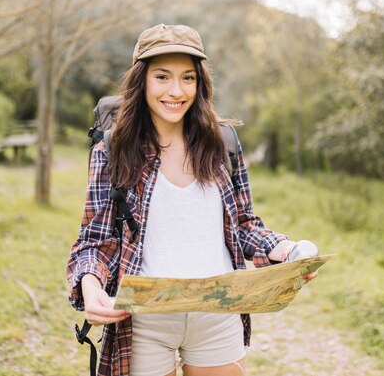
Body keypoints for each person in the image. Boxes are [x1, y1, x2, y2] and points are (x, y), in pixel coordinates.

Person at [66, 23, 317, 376]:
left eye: (188, 78)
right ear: (143, 81)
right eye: (163, 77)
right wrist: (90, 288)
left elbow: (243, 225)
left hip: (218, 312)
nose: (176, 91)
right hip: (143, 320)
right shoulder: (111, 151)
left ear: (200, 83)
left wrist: (290, 251)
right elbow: (94, 240)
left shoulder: (222, 143)